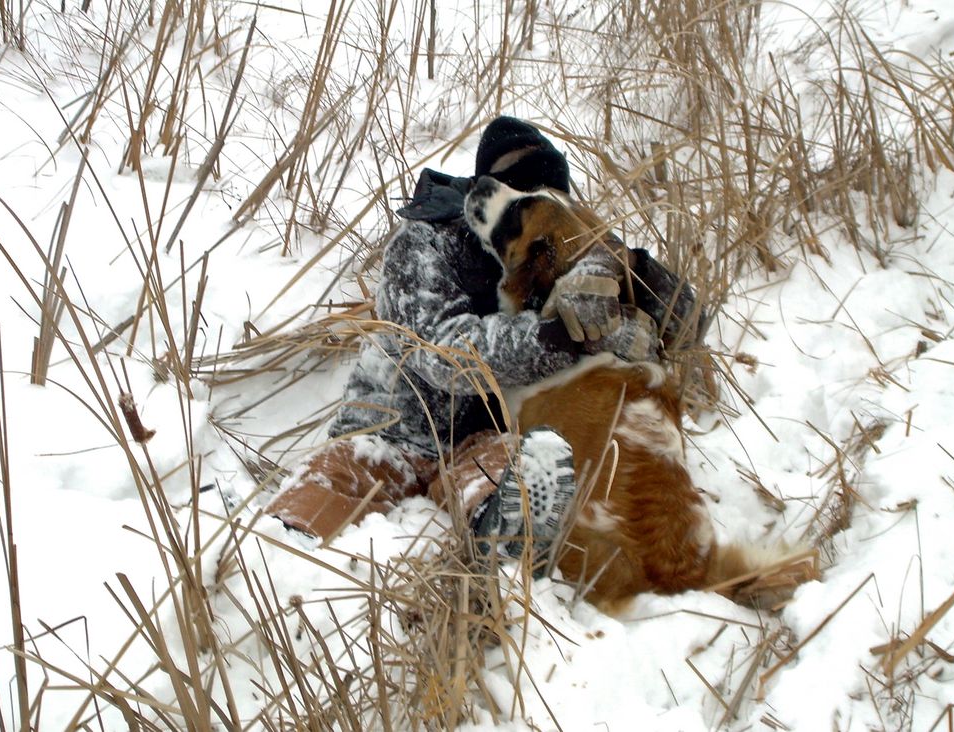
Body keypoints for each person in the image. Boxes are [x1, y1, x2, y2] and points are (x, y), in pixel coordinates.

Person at [267, 117, 700, 566]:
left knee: (517, 477)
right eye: (517, 190)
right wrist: (569, 336)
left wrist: (629, 271)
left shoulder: (565, 245)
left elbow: (688, 325)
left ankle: (511, 541)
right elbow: (442, 354)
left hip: (483, 441)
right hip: (392, 433)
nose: (530, 205)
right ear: (486, 189)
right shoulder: (424, 241)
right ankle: (277, 554)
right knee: (332, 480)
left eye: (546, 198)